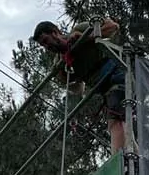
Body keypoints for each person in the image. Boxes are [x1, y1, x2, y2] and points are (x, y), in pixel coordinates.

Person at [32, 18, 127, 151]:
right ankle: (133, 159)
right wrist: (63, 74)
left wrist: (87, 37)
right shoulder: (60, 63)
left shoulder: (79, 30)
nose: (47, 47)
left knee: (117, 119)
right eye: (43, 46)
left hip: (115, 74)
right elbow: (78, 88)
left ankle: (121, 159)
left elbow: (113, 27)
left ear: (55, 32)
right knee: (114, 123)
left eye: (46, 41)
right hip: (105, 89)